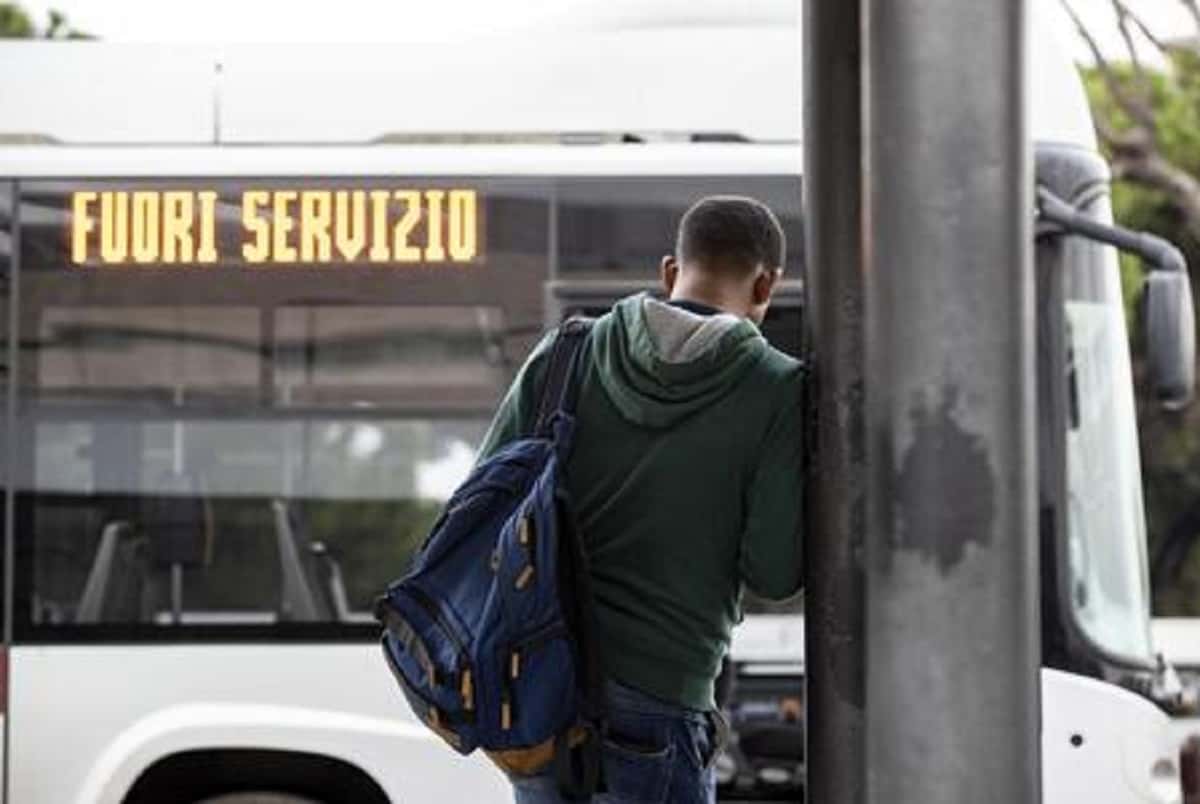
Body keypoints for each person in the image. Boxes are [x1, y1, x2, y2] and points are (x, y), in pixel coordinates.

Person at [478, 195, 804, 804]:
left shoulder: (565, 353)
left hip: (540, 694)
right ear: (766, 284)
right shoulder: (777, 389)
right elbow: (775, 570)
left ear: (670, 272)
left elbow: (484, 506)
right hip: (663, 697)